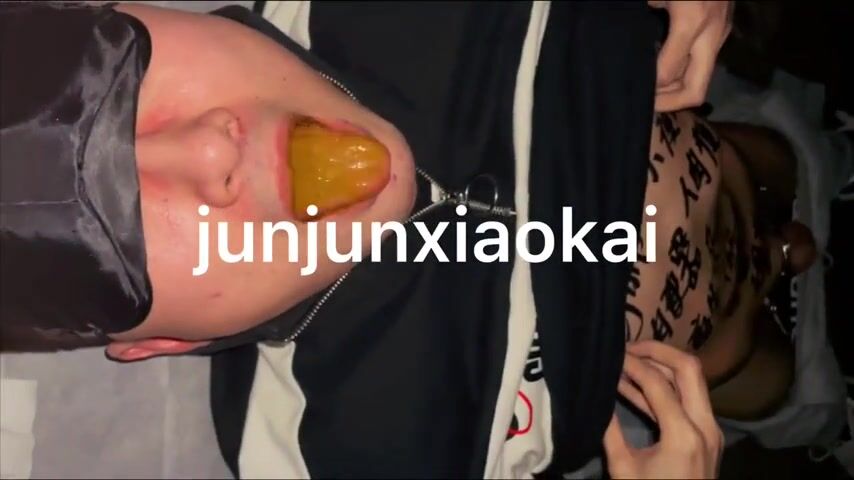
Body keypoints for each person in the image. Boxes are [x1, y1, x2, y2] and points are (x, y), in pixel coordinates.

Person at [0, 1, 735, 478]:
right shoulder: (339, 456)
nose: (210, 153)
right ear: (162, 343)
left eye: (118, 73)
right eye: (116, 250)